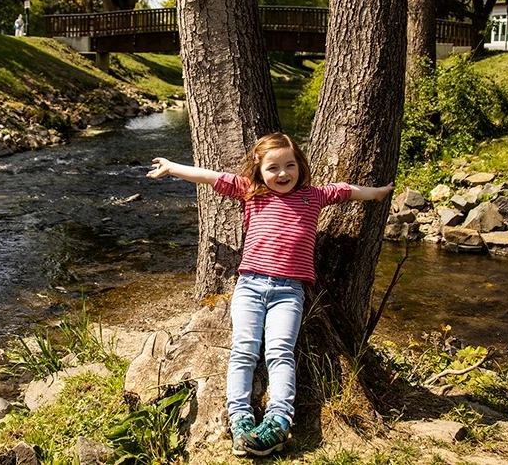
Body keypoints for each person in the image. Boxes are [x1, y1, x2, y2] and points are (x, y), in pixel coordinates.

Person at [146, 132, 393, 457]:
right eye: (273, 167)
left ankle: (278, 422)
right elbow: (210, 177)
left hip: (289, 292)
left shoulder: (313, 196)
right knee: (244, 351)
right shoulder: (251, 193)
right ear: (259, 170)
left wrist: (377, 194)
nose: (282, 173)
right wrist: (173, 167)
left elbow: (347, 191)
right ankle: (240, 422)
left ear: (300, 166)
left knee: (279, 353)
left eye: (289, 165)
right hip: (249, 287)